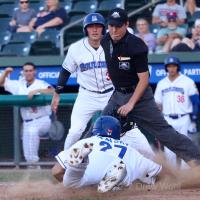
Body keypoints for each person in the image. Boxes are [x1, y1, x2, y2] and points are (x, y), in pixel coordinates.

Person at [100, 7, 200, 167]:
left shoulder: (136, 45)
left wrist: (131, 103)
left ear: (126, 24)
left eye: (118, 25)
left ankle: (197, 162)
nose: (114, 29)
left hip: (140, 97)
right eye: (111, 25)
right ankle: (86, 170)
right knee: (100, 129)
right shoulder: (105, 41)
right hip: (118, 95)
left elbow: (144, 79)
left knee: (165, 133)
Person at [51, 13, 114, 150]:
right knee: (75, 131)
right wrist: (57, 93)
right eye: (91, 27)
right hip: (87, 96)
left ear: (104, 29)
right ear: (86, 29)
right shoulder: (76, 48)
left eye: (98, 26)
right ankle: (65, 162)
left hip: (111, 94)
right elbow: (66, 71)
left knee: (122, 130)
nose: (95, 30)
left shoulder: (113, 45)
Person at [52, 116, 163, 192]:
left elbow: (56, 171)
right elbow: (157, 171)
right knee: (132, 176)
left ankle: (80, 166)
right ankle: (117, 179)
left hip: (86, 175)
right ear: (117, 132)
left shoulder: (86, 142)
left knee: (71, 184)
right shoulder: (128, 148)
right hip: (117, 169)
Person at [0, 63, 54, 167]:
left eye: (30, 70)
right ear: (23, 72)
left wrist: (37, 91)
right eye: (26, 71)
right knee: (27, 151)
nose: (28, 73)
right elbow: (1, 83)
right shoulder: (19, 84)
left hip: (42, 119)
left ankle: (34, 164)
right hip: (27, 122)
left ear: (34, 72)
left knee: (32, 131)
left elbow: (52, 91)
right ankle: (33, 168)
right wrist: (6, 72)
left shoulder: (40, 83)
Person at [154, 56, 200, 168]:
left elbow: (196, 102)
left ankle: (187, 178)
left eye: (174, 66)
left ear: (178, 67)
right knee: (170, 150)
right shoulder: (161, 83)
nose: (171, 68)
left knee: (185, 147)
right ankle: (174, 177)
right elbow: (157, 104)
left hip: (184, 119)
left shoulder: (187, 81)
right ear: (166, 68)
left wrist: (194, 120)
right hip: (168, 119)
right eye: (169, 66)